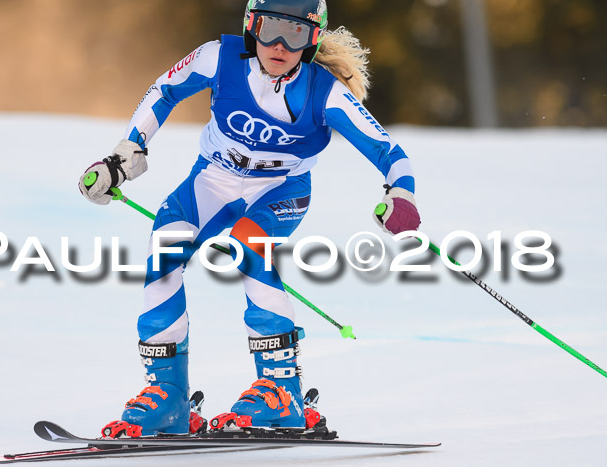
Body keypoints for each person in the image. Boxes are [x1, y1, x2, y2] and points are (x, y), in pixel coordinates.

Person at [78, 0, 420, 437]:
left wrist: (402, 195)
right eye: (269, 29)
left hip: (279, 191)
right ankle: (167, 396)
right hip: (213, 180)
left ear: (312, 40)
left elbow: (388, 151)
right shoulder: (219, 57)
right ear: (250, 26)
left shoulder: (325, 92)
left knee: (247, 246)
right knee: (165, 246)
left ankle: (281, 391)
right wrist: (125, 154)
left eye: (295, 34)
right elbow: (164, 90)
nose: (279, 44)